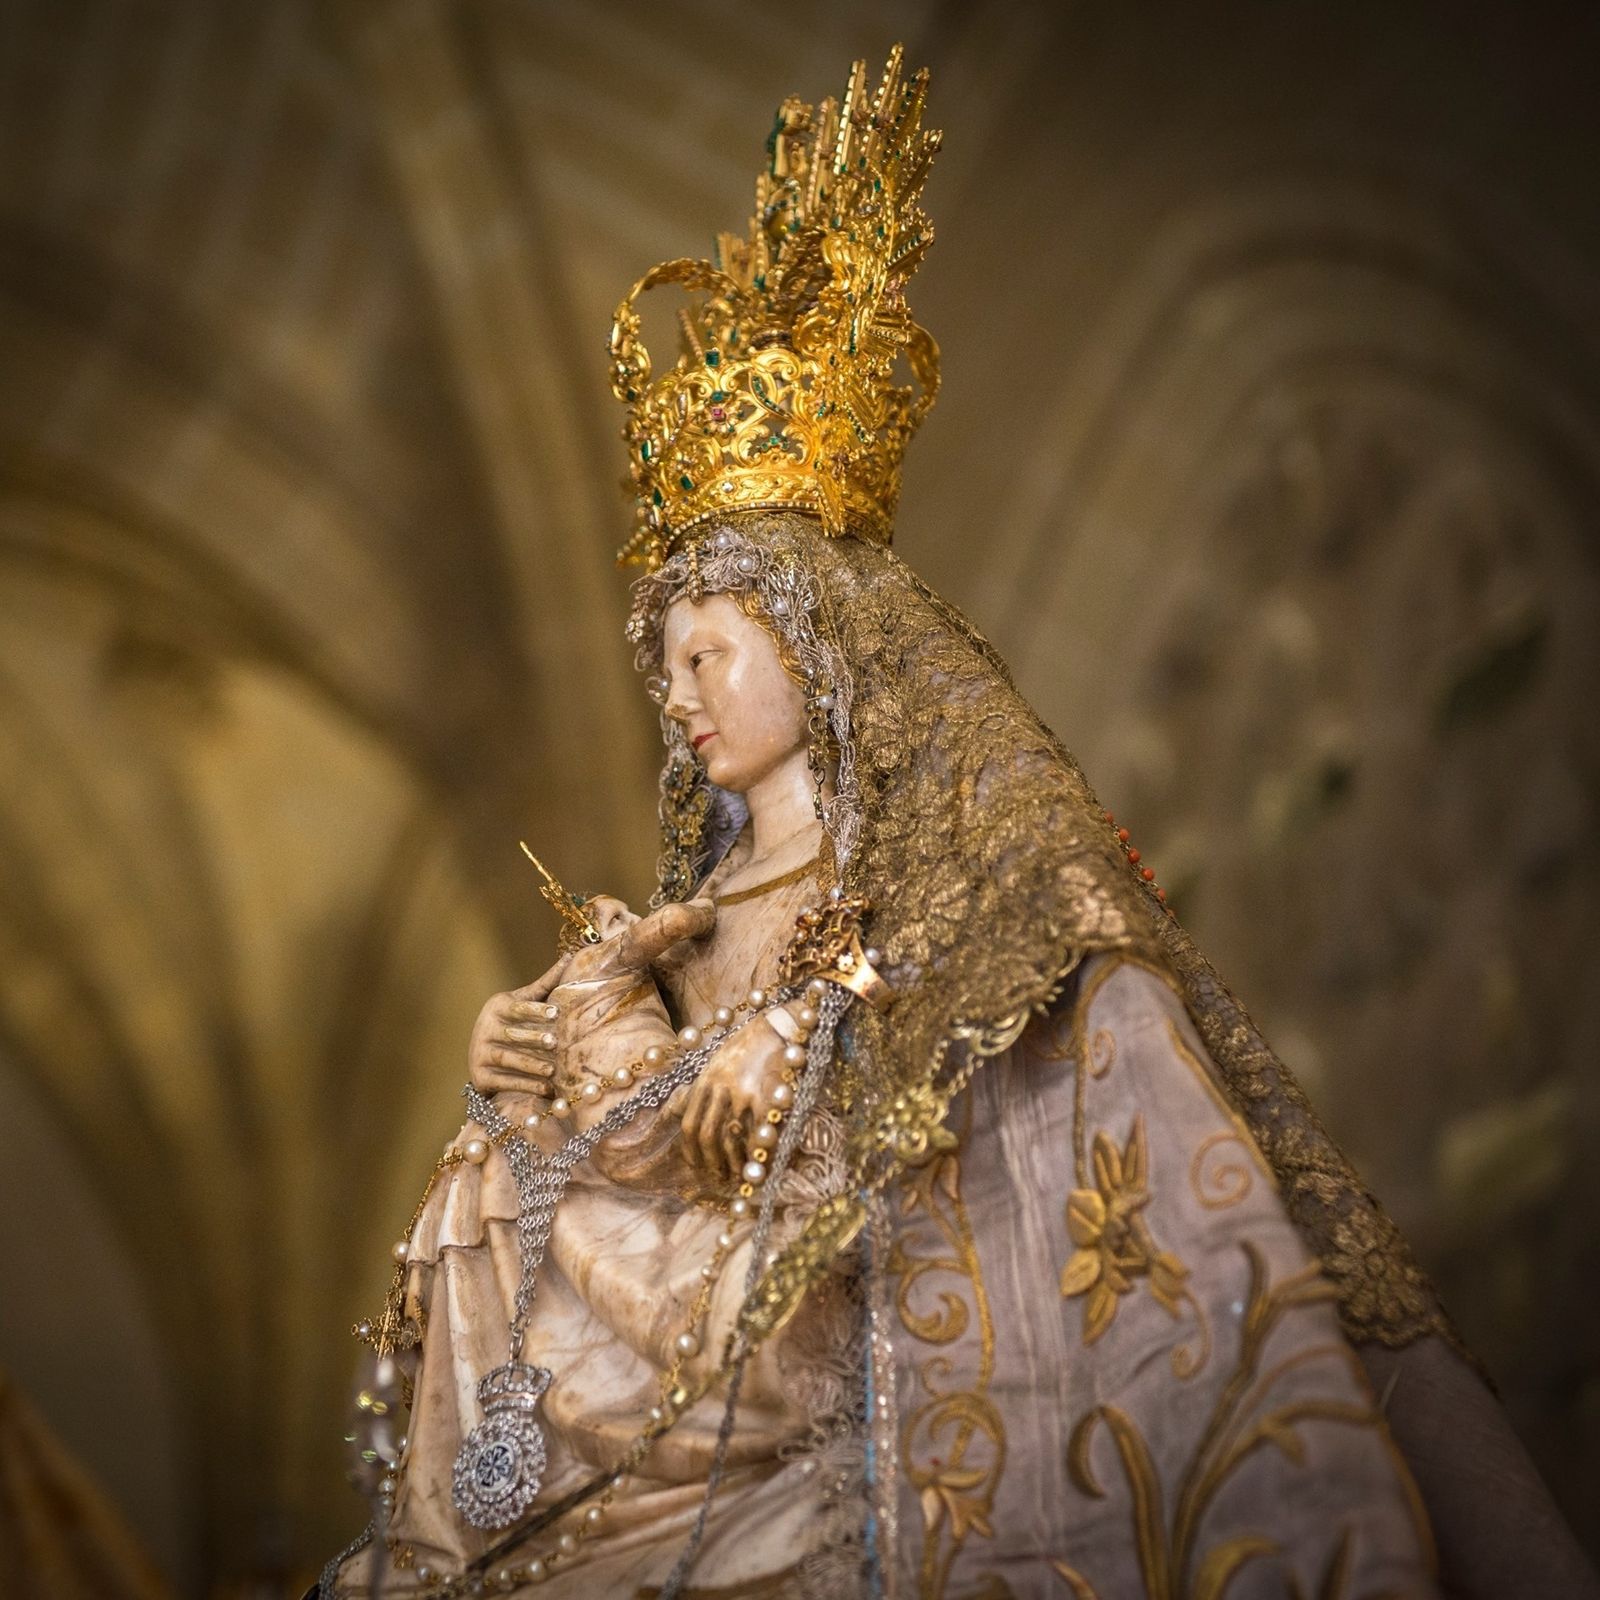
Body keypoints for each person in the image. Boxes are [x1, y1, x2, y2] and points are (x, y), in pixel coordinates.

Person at [322, 48, 1597, 1600]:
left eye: (707, 652)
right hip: (629, 1427)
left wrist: (811, 1033)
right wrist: (517, 1074)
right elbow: (615, 1167)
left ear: (809, 638)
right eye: (662, 666)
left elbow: (1000, 1064)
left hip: (838, 1426)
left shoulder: (955, 875)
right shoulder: (681, 917)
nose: (680, 698)